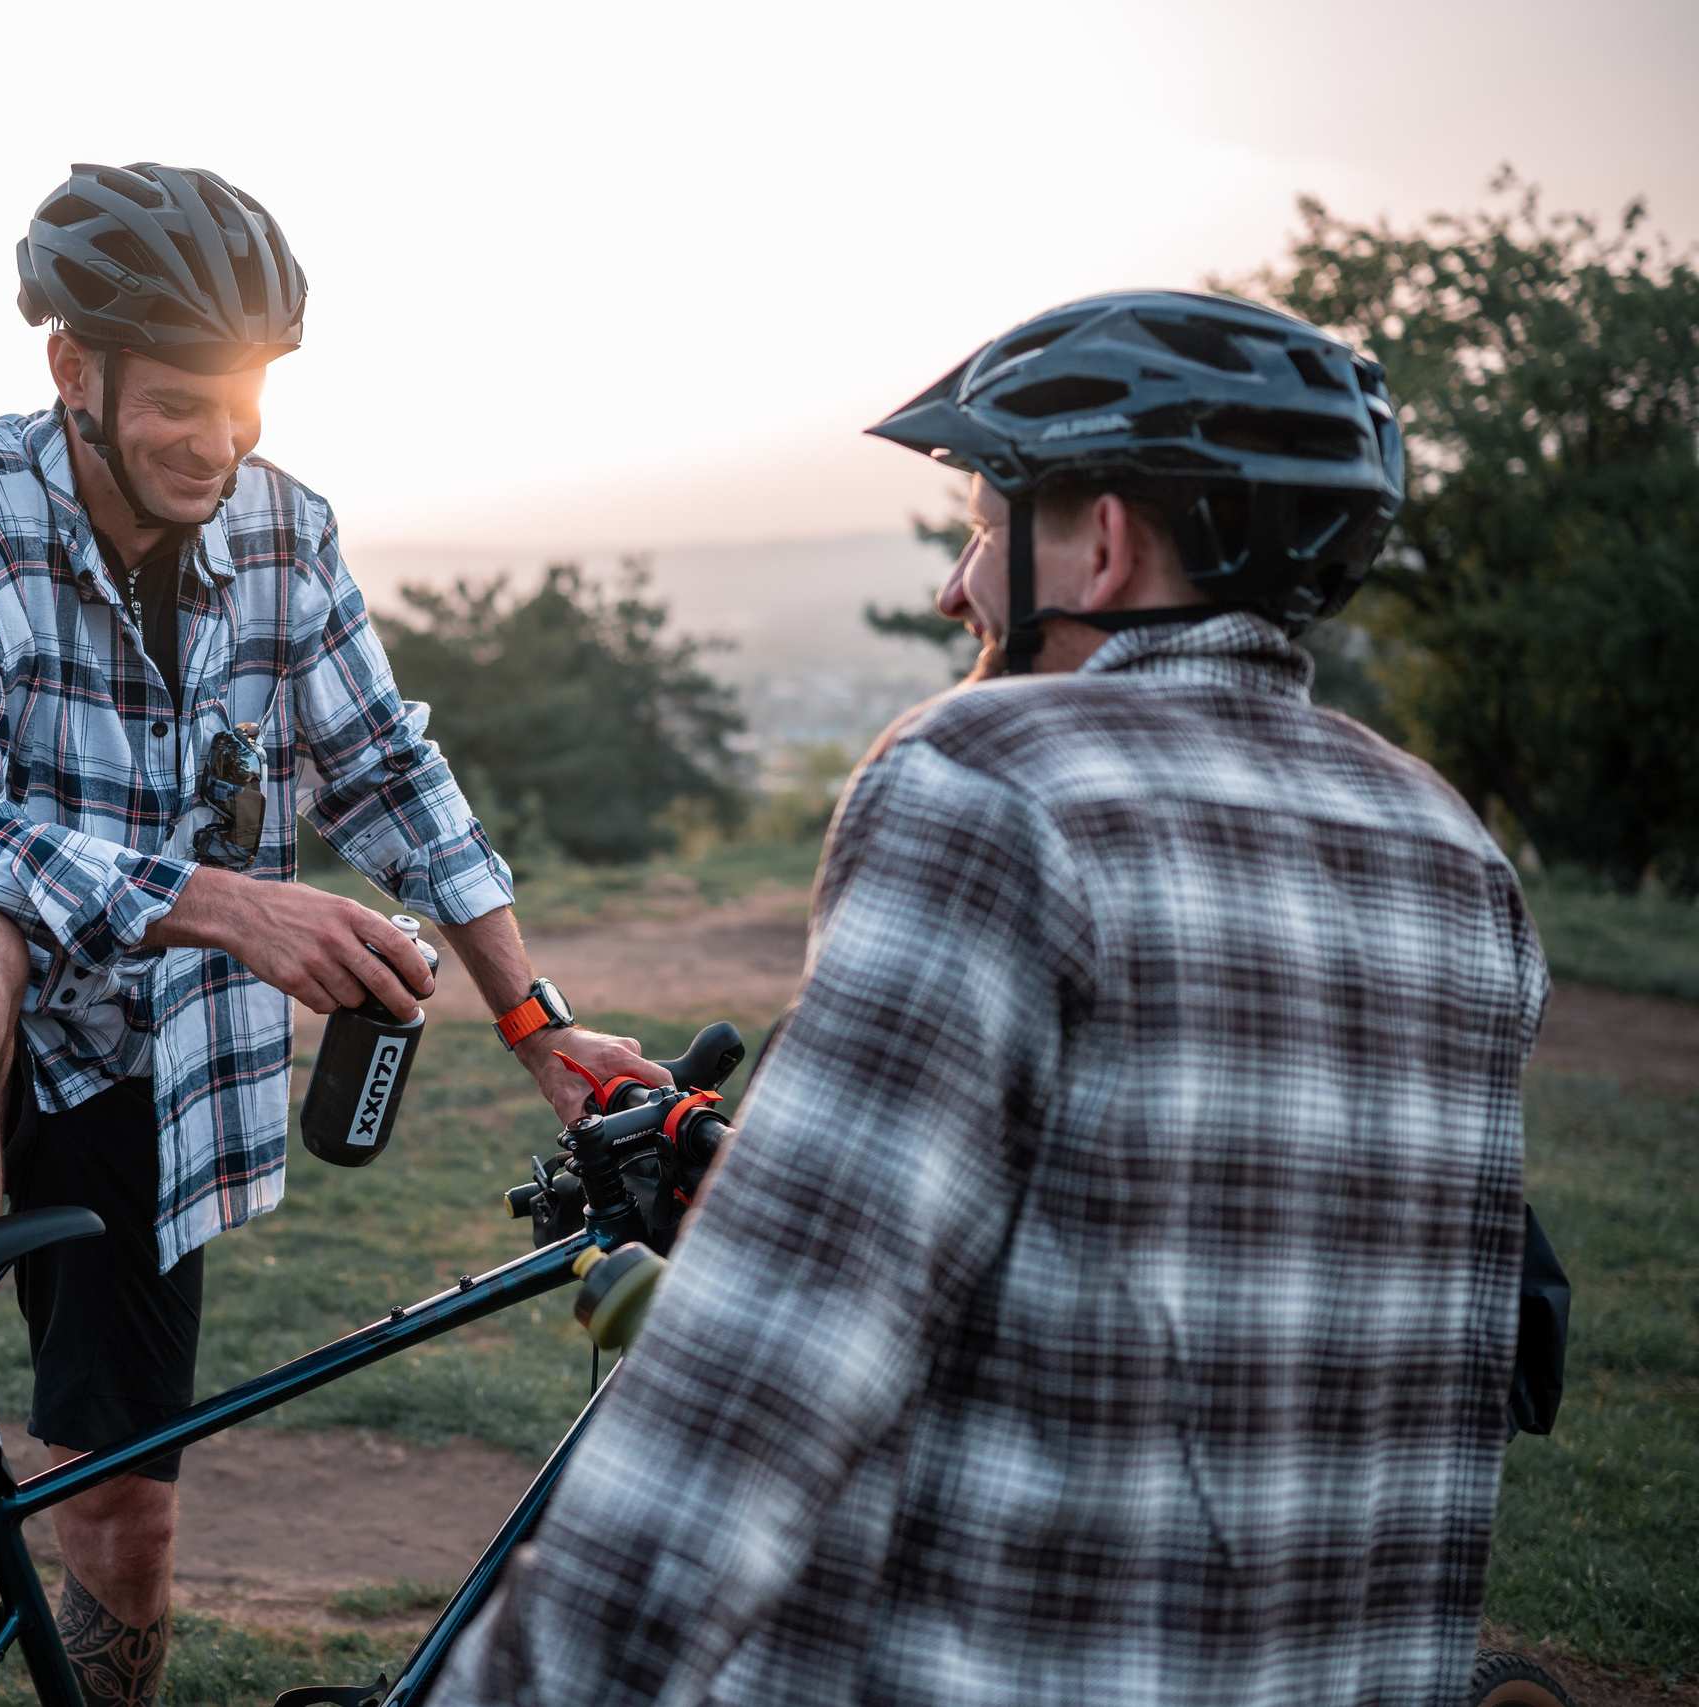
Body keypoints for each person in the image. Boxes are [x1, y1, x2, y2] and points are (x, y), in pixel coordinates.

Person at [440, 292, 1548, 1707]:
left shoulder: (995, 783)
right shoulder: (1453, 855)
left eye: (981, 525)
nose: (956, 589)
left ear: (1104, 542)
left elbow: (761, 1380)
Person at [0, 162, 665, 1702]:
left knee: (123, 1521)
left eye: (244, 400)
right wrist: (220, 901)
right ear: (75, 370)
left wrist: (539, 1027)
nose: (218, 440)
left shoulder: (281, 529)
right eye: (180, 402)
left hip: (150, 1074)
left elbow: (390, 770)